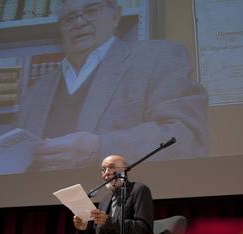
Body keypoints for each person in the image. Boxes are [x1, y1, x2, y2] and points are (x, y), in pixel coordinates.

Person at [17, 0, 209, 171]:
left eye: (91, 10)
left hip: (120, 205)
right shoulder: (36, 91)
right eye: (69, 18)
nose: (78, 22)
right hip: (42, 205)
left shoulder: (159, 57)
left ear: (115, 15)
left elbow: (186, 137)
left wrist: (99, 148)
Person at [56, 154, 153, 234]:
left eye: (111, 167)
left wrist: (110, 222)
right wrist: (84, 228)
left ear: (124, 170)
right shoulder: (105, 200)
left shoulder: (139, 190)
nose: (106, 173)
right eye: (103, 169)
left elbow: (144, 229)